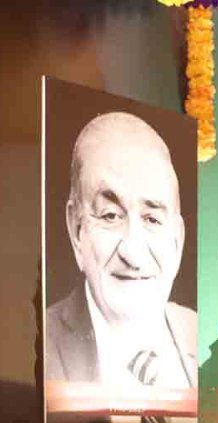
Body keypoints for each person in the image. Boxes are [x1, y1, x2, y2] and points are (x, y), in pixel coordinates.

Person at [45, 112, 197, 389]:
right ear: (76, 229)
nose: (133, 254)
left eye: (152, 219)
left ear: (178, 241)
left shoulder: (201, 336)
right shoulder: (38, 346)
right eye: (111, 216)